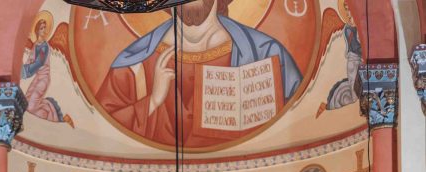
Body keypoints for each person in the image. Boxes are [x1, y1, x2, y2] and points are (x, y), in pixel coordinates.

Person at [97, 0, 302, 149]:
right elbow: (104, 130)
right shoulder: (135, 63)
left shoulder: (265, 53)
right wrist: (153, 101)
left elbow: (295, 123)